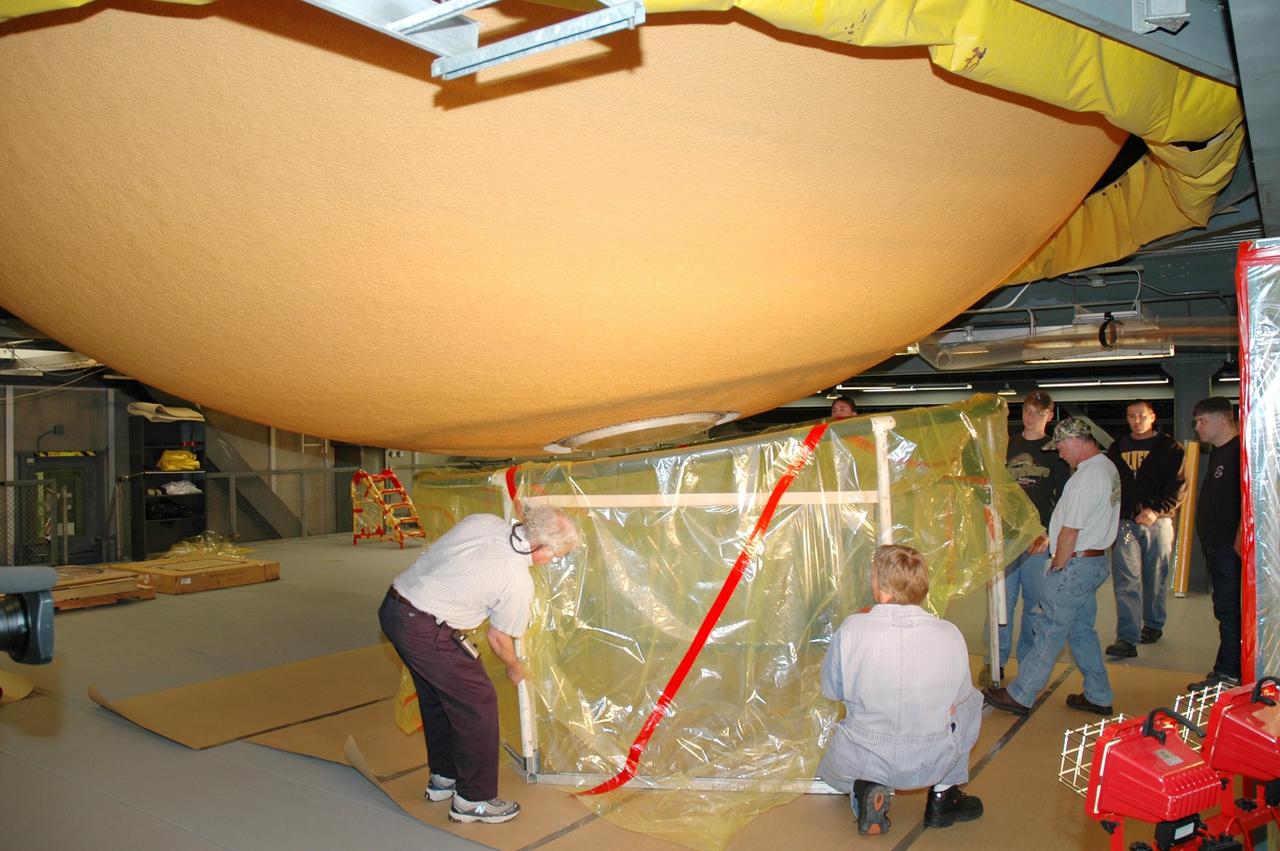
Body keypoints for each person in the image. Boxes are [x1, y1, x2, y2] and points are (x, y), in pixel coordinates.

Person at [378, 506, 579, 824]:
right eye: (556, 555)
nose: (553, 561)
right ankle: (474, 799)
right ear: (540, 547)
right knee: (478, 703)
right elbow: (499, 638)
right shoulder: (517, 580)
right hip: (424, 628)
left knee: (437, 697)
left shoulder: (485, 522)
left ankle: (445, 777)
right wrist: (514, 667)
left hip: (394, 607)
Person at [818, 544, 983, 836]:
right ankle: (943, 796)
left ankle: (864, 788)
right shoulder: (950, 634)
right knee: (970, 700)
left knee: (835, 762)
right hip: (933, 760)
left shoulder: (851, 629)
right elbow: (958, 702)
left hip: (861, 754)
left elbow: (833, 690)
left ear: (881, 588)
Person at [983, 417, 1120, 717]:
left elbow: (1070, 531)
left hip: (1074, 565)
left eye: (1060, 447)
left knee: (1049, 630)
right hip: (1093, 562)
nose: (1059, 454)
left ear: (1075, 441)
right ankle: (1099, 695)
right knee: (1081, 632)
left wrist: (1056, 569)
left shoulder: (1086, 478)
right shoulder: (1106, 468)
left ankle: (1021, 695)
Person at [990, 390, 1069, 682]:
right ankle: (996, 664)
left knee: (1036, 607)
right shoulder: (1005, 446)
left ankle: (1028, 668)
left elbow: (1063, 500)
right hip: (1005, 538)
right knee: (1001, 604)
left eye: (1038, 412)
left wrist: (1048, 533)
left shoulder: (1055, 453)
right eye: (1027, 410)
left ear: (1049, 415)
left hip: (1038, 540)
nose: (1031, 417)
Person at [1105, 400, 1186, 658]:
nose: (1136, 420)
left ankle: (1152, 624)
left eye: (1141, 415)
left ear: (1152, 417)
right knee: (1126, 578)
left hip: (1158, 523)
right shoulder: (1117, 448)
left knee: (1155, 575)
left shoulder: (1169, 448)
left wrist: (1157, 510)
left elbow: (1179, 485)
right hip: (1126, 524)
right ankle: (1127, 638)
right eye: (1131, 416)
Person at [1188, 397, 1243, 691]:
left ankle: (1230, 673)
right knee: (1224, 609)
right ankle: (1227, 668)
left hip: (1229, 549)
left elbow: (1249, 501)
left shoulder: (1239, 452)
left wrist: (1239, 538)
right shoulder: (1218, 453)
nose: (1197, 427)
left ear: (1222, 420)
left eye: (1202, 421)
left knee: (1230, 610)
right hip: (1216, 546)